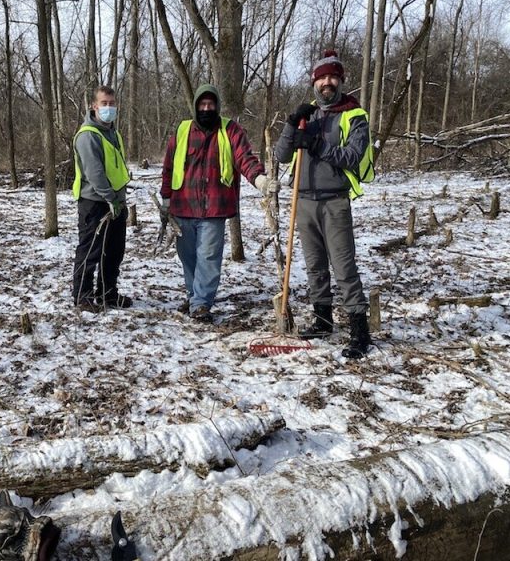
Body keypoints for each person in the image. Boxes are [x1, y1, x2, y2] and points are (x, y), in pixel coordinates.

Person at [274, 49, 372, 358]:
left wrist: (318, 145)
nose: (327, 83)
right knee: (315, 266)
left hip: (334, 201)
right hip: (303, 199)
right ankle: (322, 320)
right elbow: (281, 155)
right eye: (322, 78)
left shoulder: (354, 115)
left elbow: (353, 157)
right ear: (314, 82)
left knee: (343, 267)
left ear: (340, 81)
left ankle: (359, 331)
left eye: (332, 77)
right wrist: (292, 125)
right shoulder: (309, 114)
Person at [159, 84, 278, 323]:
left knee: (209, 257)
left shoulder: (230, 130)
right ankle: (194, 297)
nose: (206, 109)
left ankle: (202, 303)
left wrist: (259, 179)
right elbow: (169, 167)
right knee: (188, 257)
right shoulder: (182, 131)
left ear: (217, 106)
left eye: (210, 105)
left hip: (214, 208)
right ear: (195, 106)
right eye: (202, 105)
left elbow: (245, 157)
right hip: (183, 207)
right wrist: (165, 199)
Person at [71, 85, 132, 312]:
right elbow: (94, 173)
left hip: (116, 201)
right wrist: (110, 198)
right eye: (104, 104)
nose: (109, 108)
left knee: (114, 251)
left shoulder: (113, 133)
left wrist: (119, 200)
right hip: (94, 203)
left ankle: (108, 293)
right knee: (90, 251)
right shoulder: (88, 135)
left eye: (112, 104)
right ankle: (82, 295)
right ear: (94, 106)